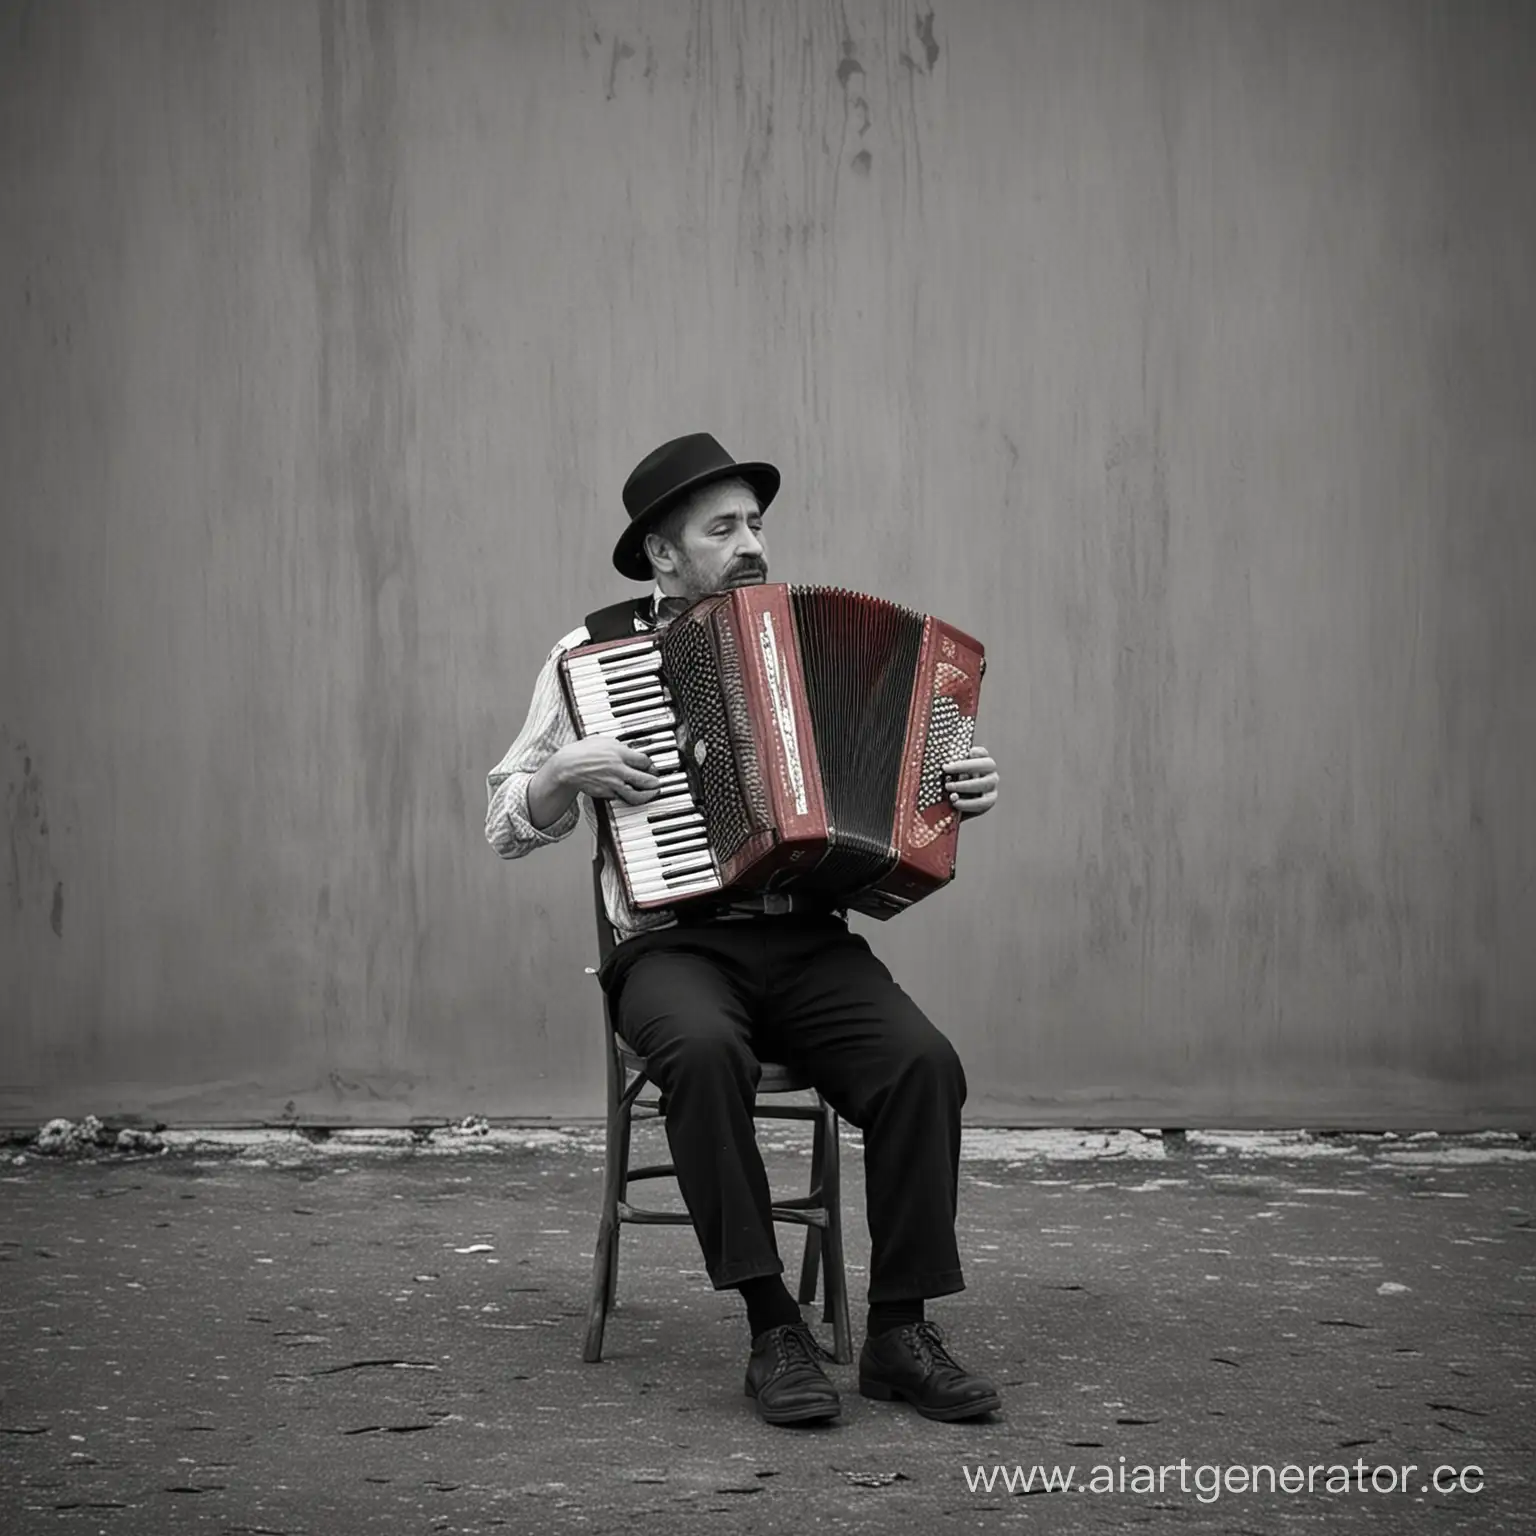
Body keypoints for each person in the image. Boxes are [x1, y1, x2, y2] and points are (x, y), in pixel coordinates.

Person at [486, 433, 1003, 1426]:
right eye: (722, 528)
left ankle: (900, 1331)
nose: (749, 543)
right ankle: (774, 1329)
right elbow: (503, 824)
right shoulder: (590, 656)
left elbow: (906, 778)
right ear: (662, 553)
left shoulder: (795, 636)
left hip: (804, 941)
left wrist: (960, 783)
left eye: (755, 523)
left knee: (923, 1065)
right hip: (668, 949)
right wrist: (562, 774)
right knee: (704, 1050)